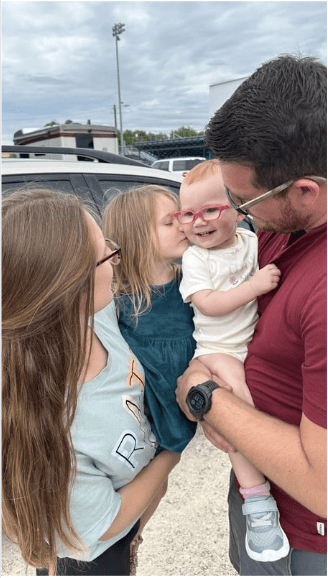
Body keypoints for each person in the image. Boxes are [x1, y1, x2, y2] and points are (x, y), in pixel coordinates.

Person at [176, 54, 327, 576]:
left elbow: (322, 485)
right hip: (262, 488)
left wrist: (205, 398)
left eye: (244, 202)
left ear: (304, 191)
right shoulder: (284, 227)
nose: (241, 218)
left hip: (304, 536)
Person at [2, 188, 180, 576]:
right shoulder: (51, 424)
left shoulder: (100, 317)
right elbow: (104, 525)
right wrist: (172, 453)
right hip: (89, 559)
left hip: (125, 529)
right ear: (68, 285)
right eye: (105, 252)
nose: (116, 258)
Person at [175, 158, 288, 562]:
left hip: (248, 344)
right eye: (186, 213)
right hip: (218, 350)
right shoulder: (195, 259)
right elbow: (209, 303)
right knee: (239, 406)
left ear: (239, 209)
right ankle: (258, 505)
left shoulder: (250, 241)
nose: (197, 222)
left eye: (210, 209)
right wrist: (255, 286)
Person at [102, 185, 197, 456]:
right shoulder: (118, 302)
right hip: (142, 423)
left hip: (190, 407)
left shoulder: (194, 283)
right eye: (169, 222)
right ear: (136, 237)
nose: (182, 225)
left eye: (181, 216)